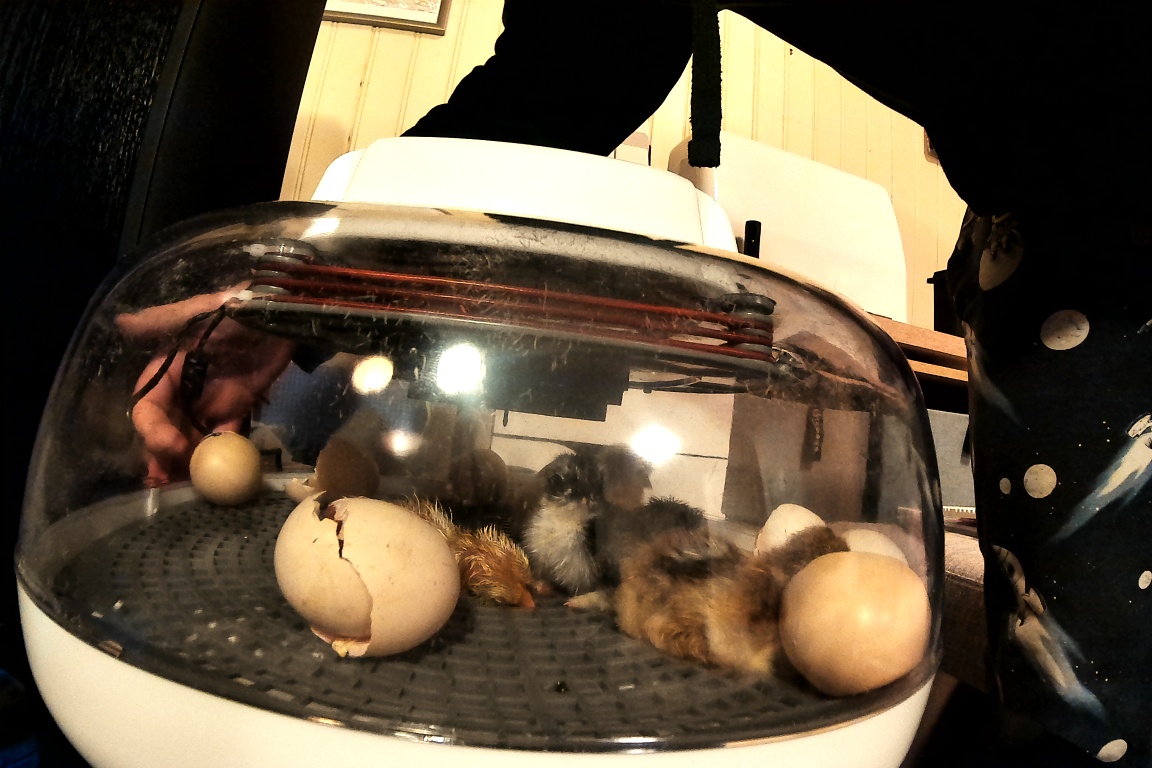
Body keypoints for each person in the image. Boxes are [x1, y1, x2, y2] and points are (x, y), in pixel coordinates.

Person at [405, 1, 1151, 764]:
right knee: (1075, 699)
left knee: (1095, 699)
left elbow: (587, 54)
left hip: (1109, 205)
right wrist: (392, 233)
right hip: (1057, 231)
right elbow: (587, 53)